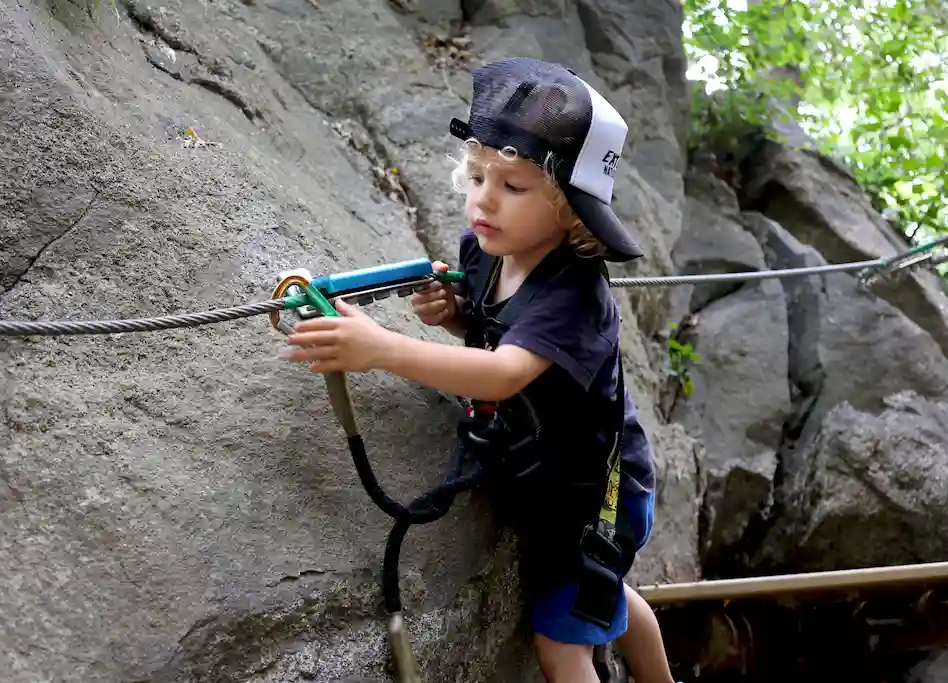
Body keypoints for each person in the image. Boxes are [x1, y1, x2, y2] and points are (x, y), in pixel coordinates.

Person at [285, 57, 676, 683]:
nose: (483, 201)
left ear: (571, 211)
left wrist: (379, 347)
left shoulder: (575, 295)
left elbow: (503, 375)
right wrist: (456, 318)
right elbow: (497, 340)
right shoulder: (486, 251)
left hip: (599, 498)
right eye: (475, 177)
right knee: (604, 591)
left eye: (513, 187)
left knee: (562, 645)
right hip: (554, 481)